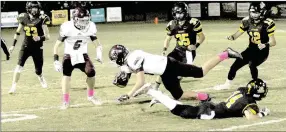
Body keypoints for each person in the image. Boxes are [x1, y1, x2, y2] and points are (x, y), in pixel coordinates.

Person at [109, 44, 243, 103]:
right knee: (178, 95)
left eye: (115, 60)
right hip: (165, 73)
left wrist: (128, 95)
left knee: (201, 72)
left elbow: (141, 82)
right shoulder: (131, 57)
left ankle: (226, 53)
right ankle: (204, 96)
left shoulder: (132, 59)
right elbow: (127, 71)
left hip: (170, 66)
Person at [134, 79, 270, 120]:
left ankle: (160, 97)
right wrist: (262, 113)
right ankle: (152, 91)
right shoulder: (249, 103)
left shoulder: (242, 90)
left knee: (186, 108)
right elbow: (250, 117)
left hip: (214, 106)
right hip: (211, 111)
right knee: (182, 111)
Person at [153, 2, 206, 107]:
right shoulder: (172, 24)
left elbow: (202, 37)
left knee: (179, 74)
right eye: (176, 13)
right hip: (177, 51)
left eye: (180, 13)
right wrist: (164, 49)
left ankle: (177, 93)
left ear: (185, 12)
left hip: (188, 53)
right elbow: (167, 38)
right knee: (163, 66)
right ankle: (155, 88)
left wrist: (196, 45)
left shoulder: (193, 22)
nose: (178, 16)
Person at [214, 2, 276, 90]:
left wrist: (265, 44)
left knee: (252, 64)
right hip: (251, 49)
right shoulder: (246, 21)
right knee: (235, 65)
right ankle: (227, 84)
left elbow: (273, 42)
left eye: (256, 12)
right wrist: (231, 37)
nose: (254, 15)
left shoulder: (268, 23)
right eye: (252, 12)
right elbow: (236, 35)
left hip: (262, 51)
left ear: (262, 12)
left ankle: (256, 83)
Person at [53, 6, 103, 109]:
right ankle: (65, 101)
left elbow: (97, 44)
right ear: (75, 19)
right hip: (69, 54)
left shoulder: (90, 27)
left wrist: (99, 53)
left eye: (86, 20)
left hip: (82, 54)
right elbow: (56, 45)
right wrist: (55, 61)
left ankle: (91, 96)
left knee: (91, 73)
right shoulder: (67, 27)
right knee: (66, 75)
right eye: (82, 20)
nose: (85, 23)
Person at [8, 1, 50, 94]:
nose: (35, 10)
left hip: (38, 48)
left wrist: (40, 38)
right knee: (18, 66)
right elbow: (18, 32)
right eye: (33, 8)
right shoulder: (23, 17)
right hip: (26, 46)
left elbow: (47, 36)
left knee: (38, 70)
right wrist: (12, 45)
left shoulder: (42, 18)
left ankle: (40, 77)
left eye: (37, 8)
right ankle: (13, 86)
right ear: (29, 9)